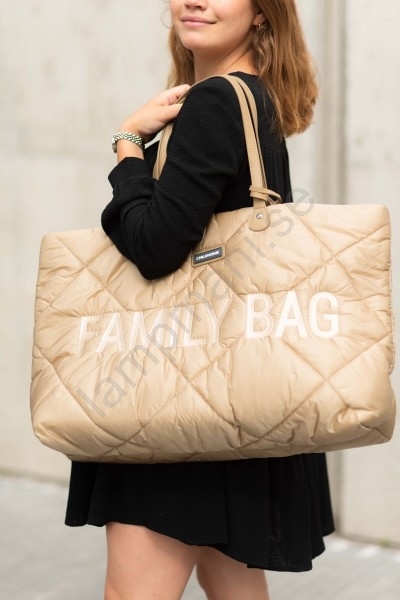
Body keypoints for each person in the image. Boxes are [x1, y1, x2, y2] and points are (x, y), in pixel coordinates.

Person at [65, 1, 335, 598]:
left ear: (262, 13)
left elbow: (156, 247)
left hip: (176, 407)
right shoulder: (253, 98)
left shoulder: (215, 101)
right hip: (234, 393)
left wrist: (128, 144)